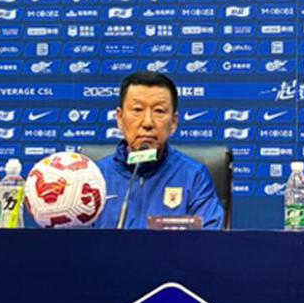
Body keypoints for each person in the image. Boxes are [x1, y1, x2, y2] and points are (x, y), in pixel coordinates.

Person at [94, 71, 224, 229]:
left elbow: (210, 239)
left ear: (174, 122)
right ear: (120, 118)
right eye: (137, 110)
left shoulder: (194, 176)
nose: (147, 123)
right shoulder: (95, 177)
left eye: (159, 111)